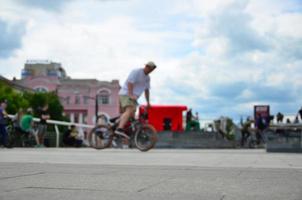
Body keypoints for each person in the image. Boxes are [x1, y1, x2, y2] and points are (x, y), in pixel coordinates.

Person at [115, 61, 157, 138]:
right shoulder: (136, 72)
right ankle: (119, 129)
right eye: (149, 68)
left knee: (131, 116)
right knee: (130, 110)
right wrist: (130, 94)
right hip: (126, 94)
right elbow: (130, 83)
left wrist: (148, 102)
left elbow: (146, 90)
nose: (150, 71)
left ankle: (115, 123)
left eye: (152, 70)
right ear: (146, 66)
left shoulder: (147, 78)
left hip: (134, 98)